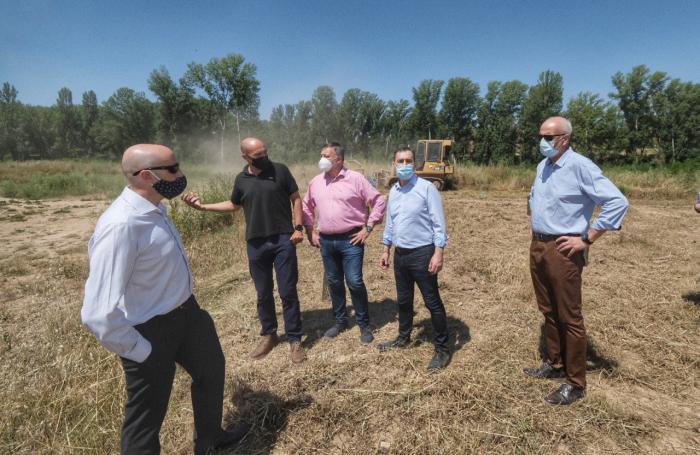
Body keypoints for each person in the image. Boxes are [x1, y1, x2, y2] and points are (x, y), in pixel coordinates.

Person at [81, 144, 247, 454]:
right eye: (173, 169)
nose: (181, 174)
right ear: (145, 176)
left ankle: (210, 440)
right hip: (148, 329)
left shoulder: (156, 208)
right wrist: (139, 350)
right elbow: (97, 313)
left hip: (187, 314)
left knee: (211, 372)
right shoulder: (121, 225)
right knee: (147, 416)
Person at [525, 116, 629, 405]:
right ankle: (554, 363)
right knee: (548, 309)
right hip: (539, 245)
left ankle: (576, 382)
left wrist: (586, 239)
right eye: (541, 136)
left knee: (570, 316)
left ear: (565, 139)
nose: (542, 142)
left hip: (564, 249)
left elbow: (617, 201)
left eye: (549, 137)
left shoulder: (580, 166)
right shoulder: (543, 166)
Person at [181, 137, 306, 364]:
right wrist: (203, 207)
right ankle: (269, 335)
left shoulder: (281, 171)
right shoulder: (241, 179)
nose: (264, 158)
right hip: (256, 244)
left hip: (282, 240)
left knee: (288, 291)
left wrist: (298, 228)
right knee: (263, 292)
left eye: (265, 152)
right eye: (258, 155)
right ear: (246, 157)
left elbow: (296, 199)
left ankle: (295, 338)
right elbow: (234, 205)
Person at [302, 142, 387, 344]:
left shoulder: (356, 179)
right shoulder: (316, 182)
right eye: (321, 154)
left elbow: (379, 200)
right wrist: (310, 230)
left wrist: (368, 227)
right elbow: (306, 206)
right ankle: (340, 321)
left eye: (326, 156)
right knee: (334, 282)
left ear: (338, 159)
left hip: (351, 240)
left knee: (355, 281)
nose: (321, 159)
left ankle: (364, 323)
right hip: (326, 241)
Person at [377, 146, 451, 372]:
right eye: (400, 161)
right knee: (403, 300)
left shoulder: (427, 189)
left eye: (408, 161)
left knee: (432, 302)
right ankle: (403, 337)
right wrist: (386, 249)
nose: (404, 165)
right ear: (394, 163)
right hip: (401, 255)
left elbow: (439, 224)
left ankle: (442, 349)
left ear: (415, 164)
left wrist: (438, 253)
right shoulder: (394, 192)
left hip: (423, 253)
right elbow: (390, 223)